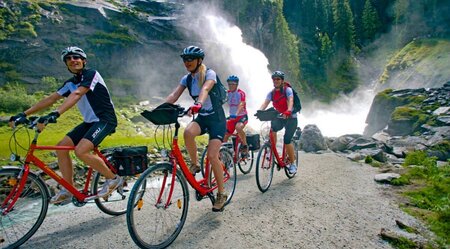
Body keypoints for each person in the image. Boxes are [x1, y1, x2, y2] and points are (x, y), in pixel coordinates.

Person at [9, 46, 123, 204]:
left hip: (105, 120)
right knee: (60, 148)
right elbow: (50, 99)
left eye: (76, 57)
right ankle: (68, 189)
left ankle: (113, 179)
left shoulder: (92, 74)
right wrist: (24, 114)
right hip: (90, 122)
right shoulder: (70, 83)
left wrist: (56, 113)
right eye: (68, 59)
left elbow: (77, 94)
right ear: (66, 64)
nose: (72, 60)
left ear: (83, 61)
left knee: (81, 151)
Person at [165, 45, 228, 212]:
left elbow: (206, 88)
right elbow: (174, 95)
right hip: (203, 118)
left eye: (190, 59)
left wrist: (198, 103)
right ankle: (194, 165)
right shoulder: (187, 79)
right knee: (188, 132)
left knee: (213, 156)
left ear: (199, 60)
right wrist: (159, 109)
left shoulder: (209, 73)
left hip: (217, 119)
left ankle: (222, 194)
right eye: (185, 59)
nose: (187, 62)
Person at [257, 70, 298, 174]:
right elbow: (265, 103)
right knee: (272, 129)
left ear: (282, 81)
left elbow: (291, 100)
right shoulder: (271, 93)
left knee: (287, 140)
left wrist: (289, 111)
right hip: (280, 117)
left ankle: (293, 163)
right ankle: (271, 150)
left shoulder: (287, 90)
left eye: (278, 79)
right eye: (274, 79)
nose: (276, 81)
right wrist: (260, 112)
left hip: (291, 118)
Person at [223, 75, 249, 158]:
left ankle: (245, 145)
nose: (231, 85)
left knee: (238, 127)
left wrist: (236, 114)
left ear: (237, 84)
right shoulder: (227, 93)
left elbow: (241, 104)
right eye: (229, 84)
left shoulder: (241, 93)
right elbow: (221, 102)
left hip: (242, 116)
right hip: (232, 117)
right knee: (225, 135)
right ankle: (225, 155)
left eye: (233, 84)